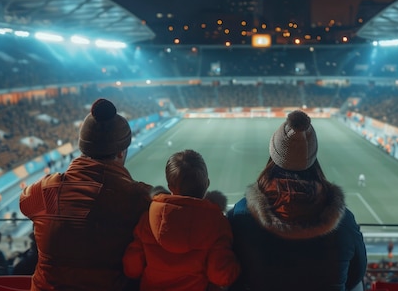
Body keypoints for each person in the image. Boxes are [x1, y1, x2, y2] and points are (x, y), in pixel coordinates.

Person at [20, 98, 152, 291]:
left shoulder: (45, 190)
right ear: (121, 153)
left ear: (83, 149)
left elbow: (25, 203)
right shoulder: (139, 198)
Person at [227, 110, 367, 291]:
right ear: (314, 157)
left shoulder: (241, 214)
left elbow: (230, 272)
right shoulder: (343, 219)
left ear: (273, 154)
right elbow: (357, 273)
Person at [123, 149, 240, 290]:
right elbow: (222, 275)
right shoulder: (217, 223)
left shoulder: (147, 218)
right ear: (207, 183)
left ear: (170, 187)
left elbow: (132, 268)